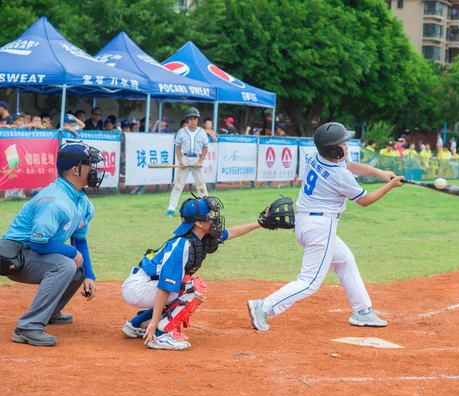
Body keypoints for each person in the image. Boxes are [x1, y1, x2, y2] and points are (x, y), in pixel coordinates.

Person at [247, 122, 404, 331]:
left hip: (305, 222)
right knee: (309, 282)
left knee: (345, 260)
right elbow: (364, 200)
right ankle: (264, 307)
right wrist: (390, 186)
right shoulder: (340, 177)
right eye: (343, 144)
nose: (346, 147)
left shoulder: (317, 156)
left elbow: (348, 165)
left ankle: (362, 311)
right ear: (333, 150)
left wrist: (379, 173)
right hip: (320, 227)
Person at [121, 195, 291, 349]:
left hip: (145, 283)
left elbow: (230, 233)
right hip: (139, 288)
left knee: (183, 284)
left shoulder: (197, 238)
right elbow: (165, 287)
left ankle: (136, 324)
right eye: (210, 216)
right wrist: (156, 321)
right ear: (199, 223)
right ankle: (160, 335)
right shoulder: (182, 246)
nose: (215, 219)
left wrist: (260, 223)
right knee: (194, 288)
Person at [0, 141, 105, 346]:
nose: (94, 169)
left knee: (78, 267)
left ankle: (51, 312)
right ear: (76, 169)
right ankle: (28, 327)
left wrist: (89, 274)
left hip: (35, 253)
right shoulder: (54, 201)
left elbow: (79, 239)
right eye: (90, 164)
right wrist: (69, 252)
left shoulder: (82, 201)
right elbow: (38, 244)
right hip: (16, 256)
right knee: (65, 264)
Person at [166, 108, 209, 217]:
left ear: (197, 120)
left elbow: (205, 148)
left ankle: (208, 209)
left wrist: (200, 162)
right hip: (185, 158)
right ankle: (171, 209)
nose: (193, 121)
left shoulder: (202, 132)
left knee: (201, 186)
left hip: (197, 159)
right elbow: (178, 147)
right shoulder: (181, 131)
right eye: (190, 119)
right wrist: (180, 161)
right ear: (187, 120)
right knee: (178, 185)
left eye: (195, 118)